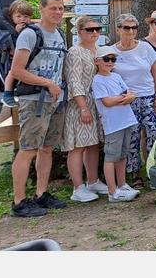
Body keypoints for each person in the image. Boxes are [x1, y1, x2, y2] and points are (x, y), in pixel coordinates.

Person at [10, 0, 68, 217]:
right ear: (42, 9)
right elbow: (17, 71)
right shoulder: (30, 34)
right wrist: (46, 83)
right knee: (28, 149)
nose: (58, 12)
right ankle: (19, 201)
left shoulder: (60, 35)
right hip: (34, 99)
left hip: (55, 100)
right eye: (53, 8)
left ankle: (41, 194)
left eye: (60, 8)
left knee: (46, 148)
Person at [111, 13, 156, 189]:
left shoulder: (145, 48)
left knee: (155, 134)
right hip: (126, 101)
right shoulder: (112, 52)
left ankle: (154, 170)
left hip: (148, 97)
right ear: (118, 29)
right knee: (131, 138)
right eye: (127, 27)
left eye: (134, 27)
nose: (131, 31)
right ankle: (135, 173)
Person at [63, 16, 108, 203]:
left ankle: (92, 180)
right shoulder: (75, 52)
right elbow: (73, 80)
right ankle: (77, 187)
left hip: (97, 101)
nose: (95, 33)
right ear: (80, 32)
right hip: (81, 102)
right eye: (90, 30)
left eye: (97, 29)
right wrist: (83, 107)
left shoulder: (99, 50)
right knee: (78, 146)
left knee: (93, 143)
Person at [91, 46, 141, 202]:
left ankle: (122, 184)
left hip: (126, 120)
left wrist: (126, 97)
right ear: (97, 61)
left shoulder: (116, 77)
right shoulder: (97, 80)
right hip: (113, 124)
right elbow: (107, 101)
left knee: (122, 155)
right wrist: (124, 98)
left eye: (113, 59)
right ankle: (112, 191)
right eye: (106, 59)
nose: (110, 62)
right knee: (111, 156)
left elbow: (130, 93)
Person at [1, 0, 33, 107]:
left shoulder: (31, 27)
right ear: (12, 17)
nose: (22, 19)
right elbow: (12, 44)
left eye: (25, 16)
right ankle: (7, 93)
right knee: (12, 73)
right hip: (15, 59)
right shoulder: (10, 30)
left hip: (28, 59)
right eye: (18, 16)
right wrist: (16, 33)